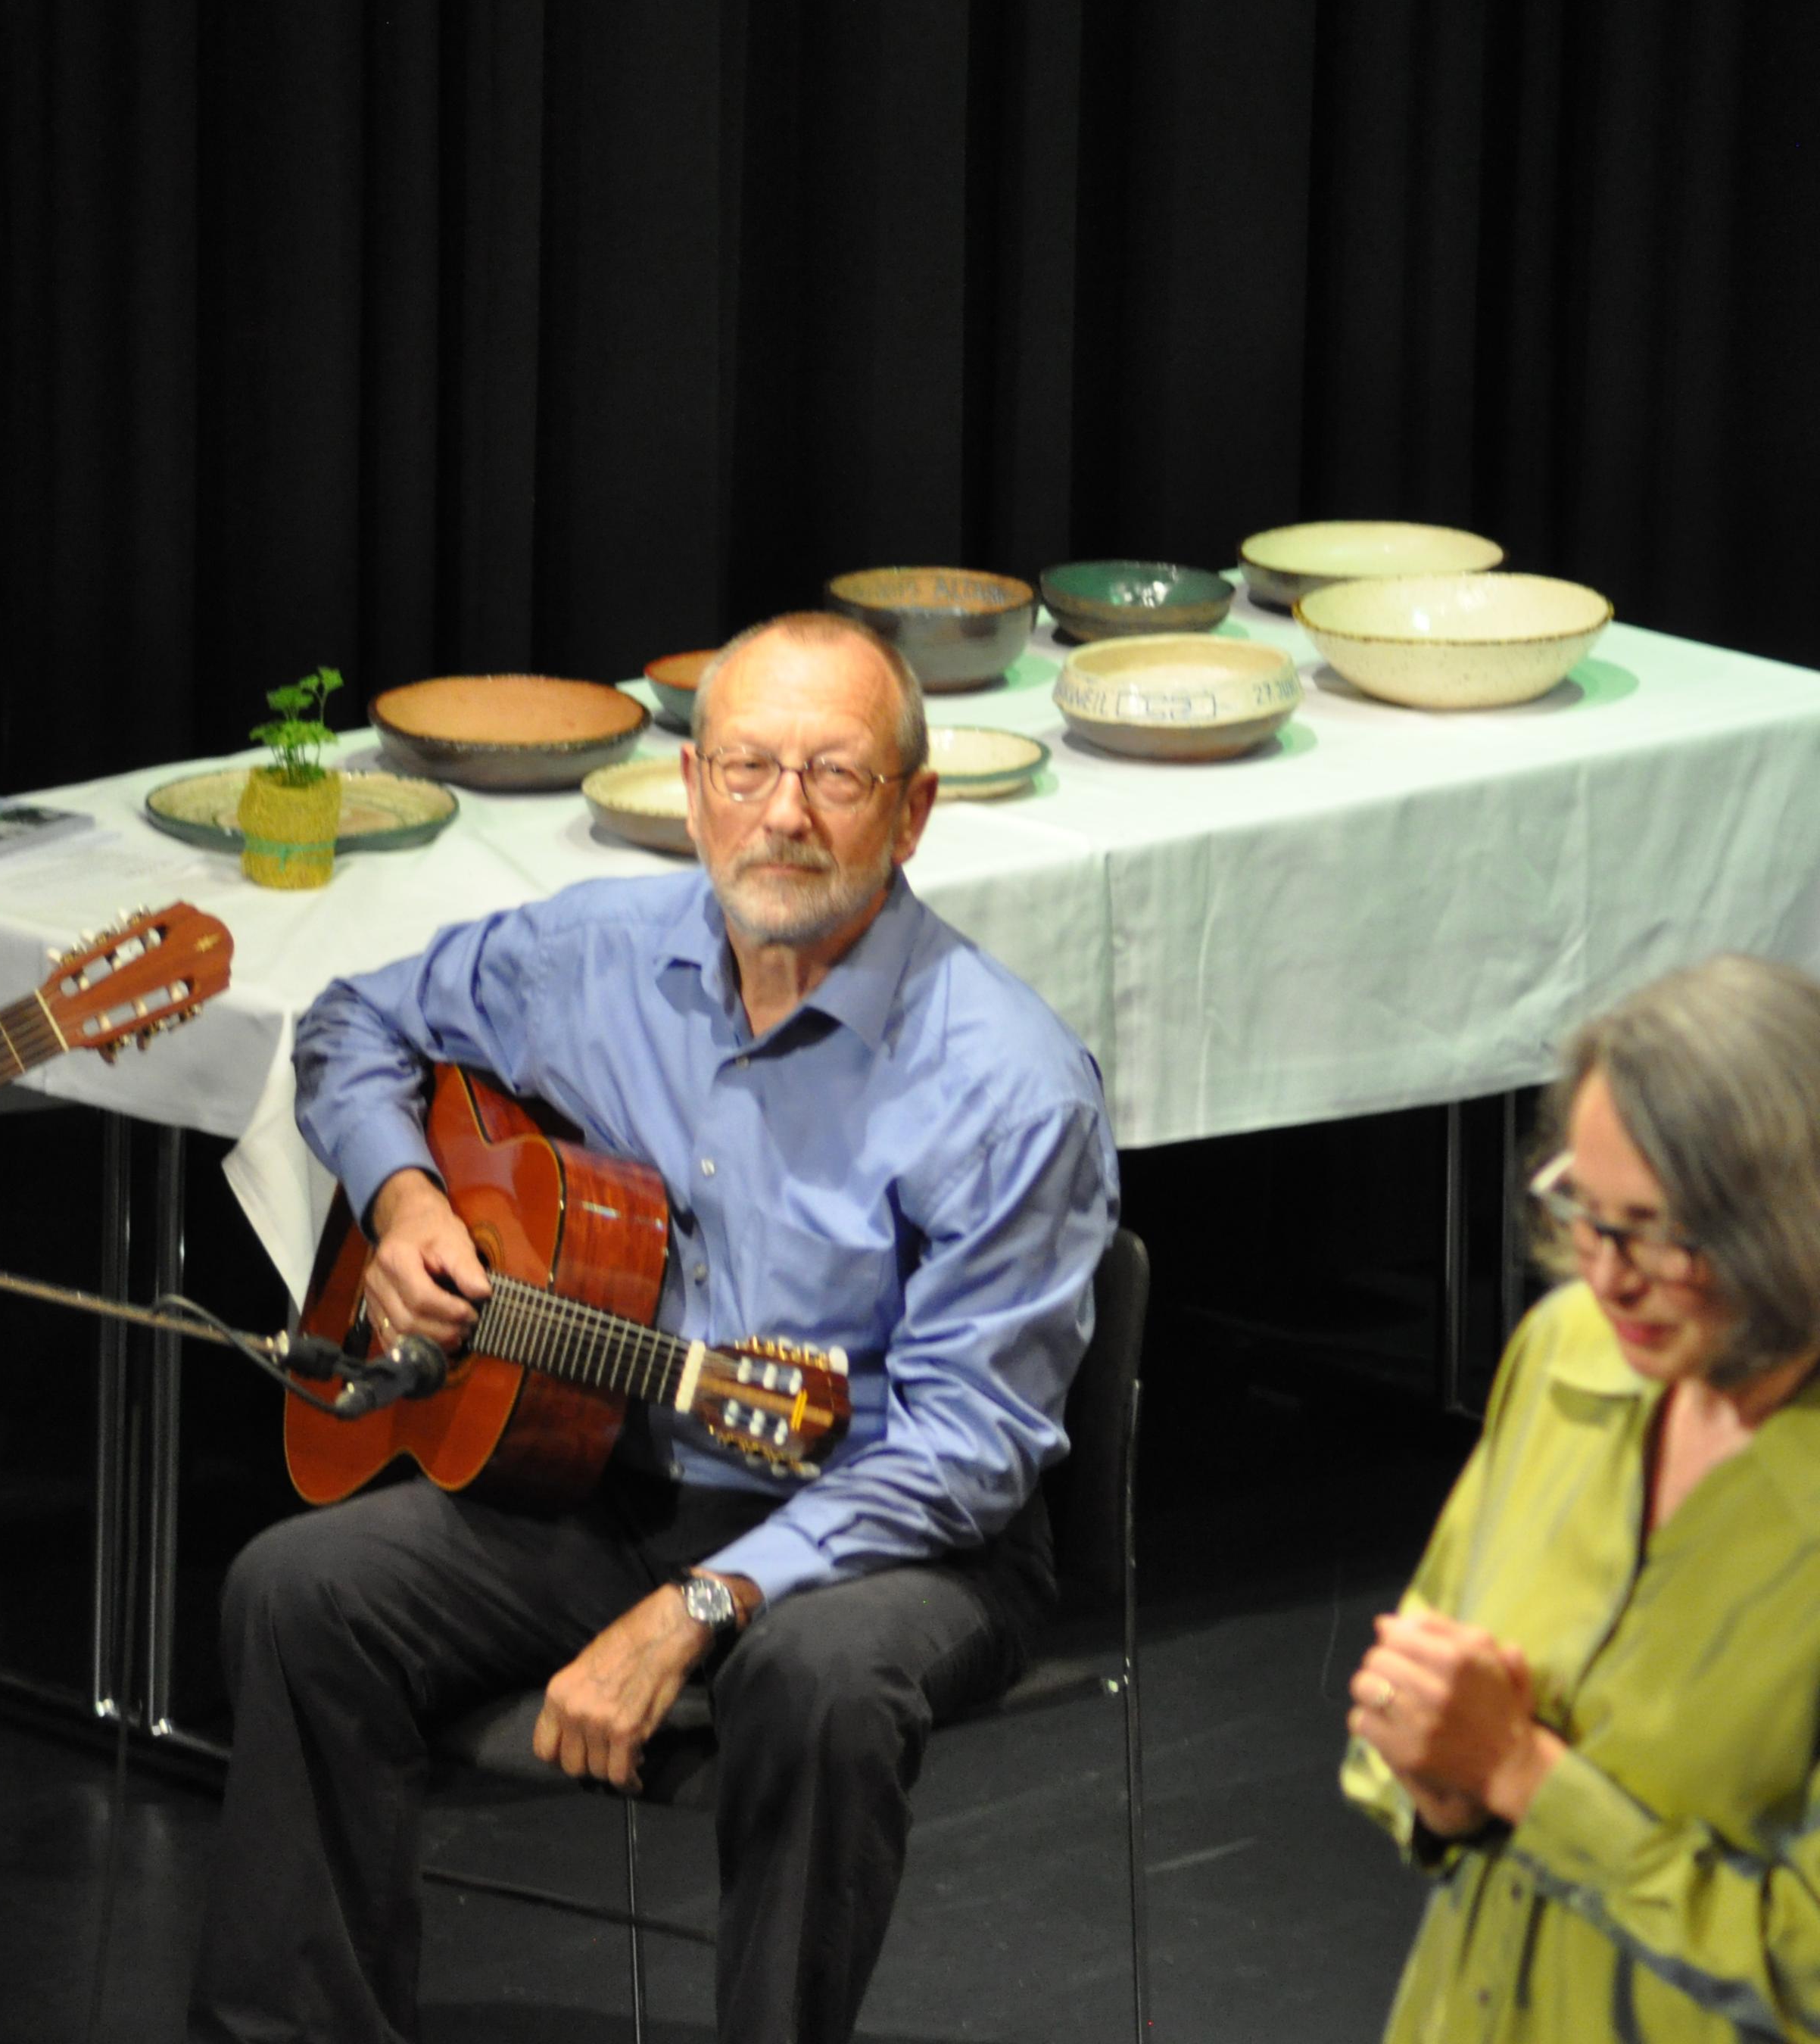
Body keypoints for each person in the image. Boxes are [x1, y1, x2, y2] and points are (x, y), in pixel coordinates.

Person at [189, 612, 1120, 2043]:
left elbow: (970, 1451)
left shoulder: (1009, 1081)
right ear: (691, 789)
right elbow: (350, 1024)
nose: (784, 814)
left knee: (817, 1684)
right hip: (608, 1487)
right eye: (746, 769)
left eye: (836, 775)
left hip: (903, 1538)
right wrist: (406, 1199)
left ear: (915, 811)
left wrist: (702, 1604)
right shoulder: (595, 953)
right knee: (297, 1591)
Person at [1340, 955, 1820, 2043]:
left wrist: (1525, 1777)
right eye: (1586, 1214)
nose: (1607, 1275)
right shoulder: (1568, 1350)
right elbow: (1417, 1680)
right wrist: (1437, 1789)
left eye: (1655, 1232)